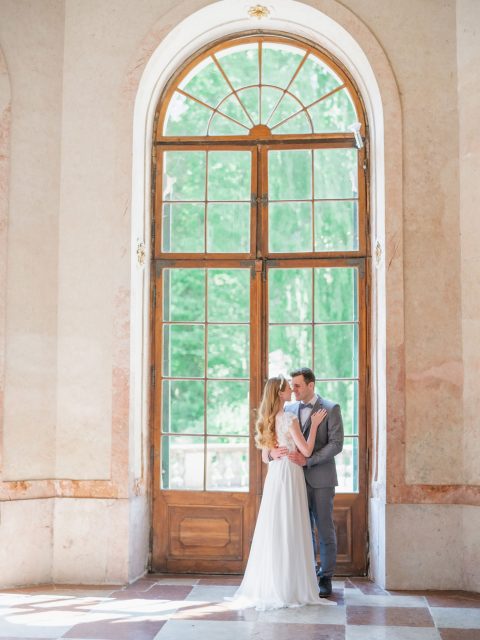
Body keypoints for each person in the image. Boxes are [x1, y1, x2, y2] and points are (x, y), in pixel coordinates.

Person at [231, 375, 335, 610]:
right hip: (290, 474)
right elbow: (307, 451)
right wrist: (316, 425)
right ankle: (291, 585)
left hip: (276, 476)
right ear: (280, 394)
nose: (292, 390)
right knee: (291, 525)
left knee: (276, 526)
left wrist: (271, 455)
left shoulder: (267, 419)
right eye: (289, 388)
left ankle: (273, 582)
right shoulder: (288, 418)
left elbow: (264, 455)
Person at [276, 367, 344, 597]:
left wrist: (310, 460)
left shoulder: (331, 408)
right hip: (293, 480)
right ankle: (305, 573)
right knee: (299, 529)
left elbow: (336, 444)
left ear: (311, 385)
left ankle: (326, 576)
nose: (293, 390)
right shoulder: (289, 410)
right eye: (292, 386)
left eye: (297, 386)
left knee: (324, 528)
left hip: (321, 479)